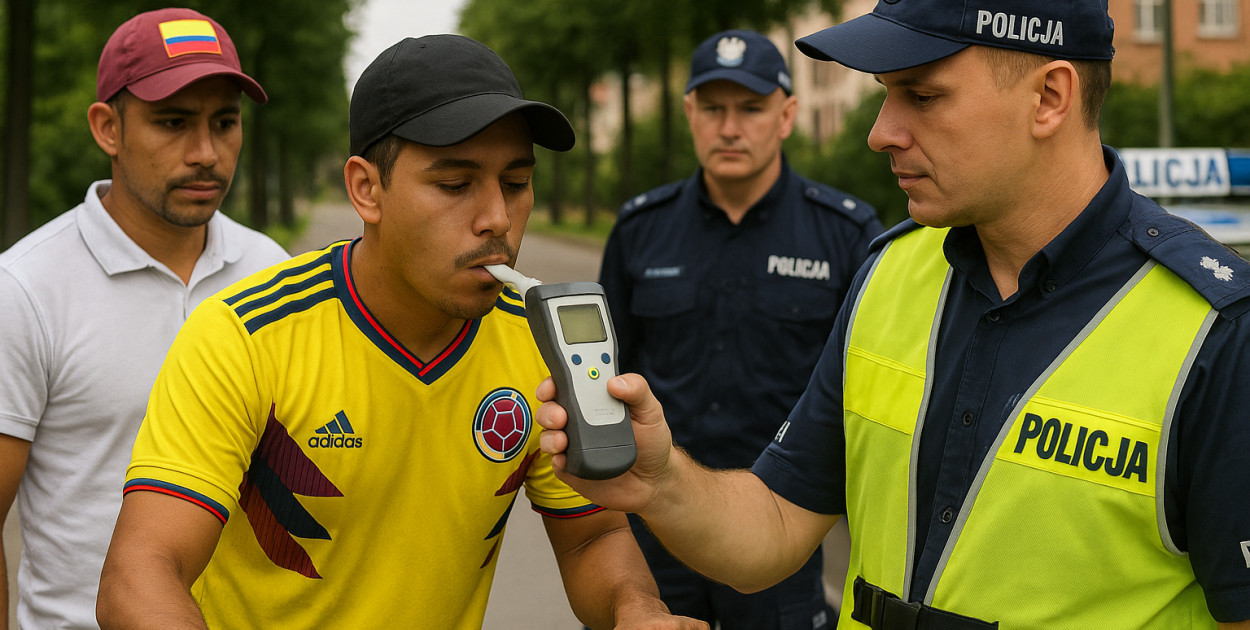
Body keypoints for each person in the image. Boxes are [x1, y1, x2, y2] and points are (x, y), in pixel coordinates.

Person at [535, 1, 1250, 628]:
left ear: (1050, 97)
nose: (881, 133)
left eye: (922, 95)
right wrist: (661, 483)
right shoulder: (890, 272)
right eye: (885, 95)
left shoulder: (1215, 332)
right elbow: (776, 528)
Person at [94, 34, 705, 630]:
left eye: (516, 183)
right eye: (455, 184)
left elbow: (592, 537)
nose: (496, 218)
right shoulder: (244, 336)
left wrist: (637, 611)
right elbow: (143, 572)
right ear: (366, 189)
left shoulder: (539, 341)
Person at [0, 8, 287, 629]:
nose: (206, 152)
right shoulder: (25, 289)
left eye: (225, 122)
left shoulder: (271, 273)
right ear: (108, 127)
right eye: (173, 122)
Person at [598, 28, 880, 629]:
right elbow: (606, 376)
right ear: (690, 114)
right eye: (714, 109)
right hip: (660, 531)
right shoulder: (639, 232)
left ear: (787, 115)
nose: (731, 128)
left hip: (781, 530)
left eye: (751, 109)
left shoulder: (846, 235)